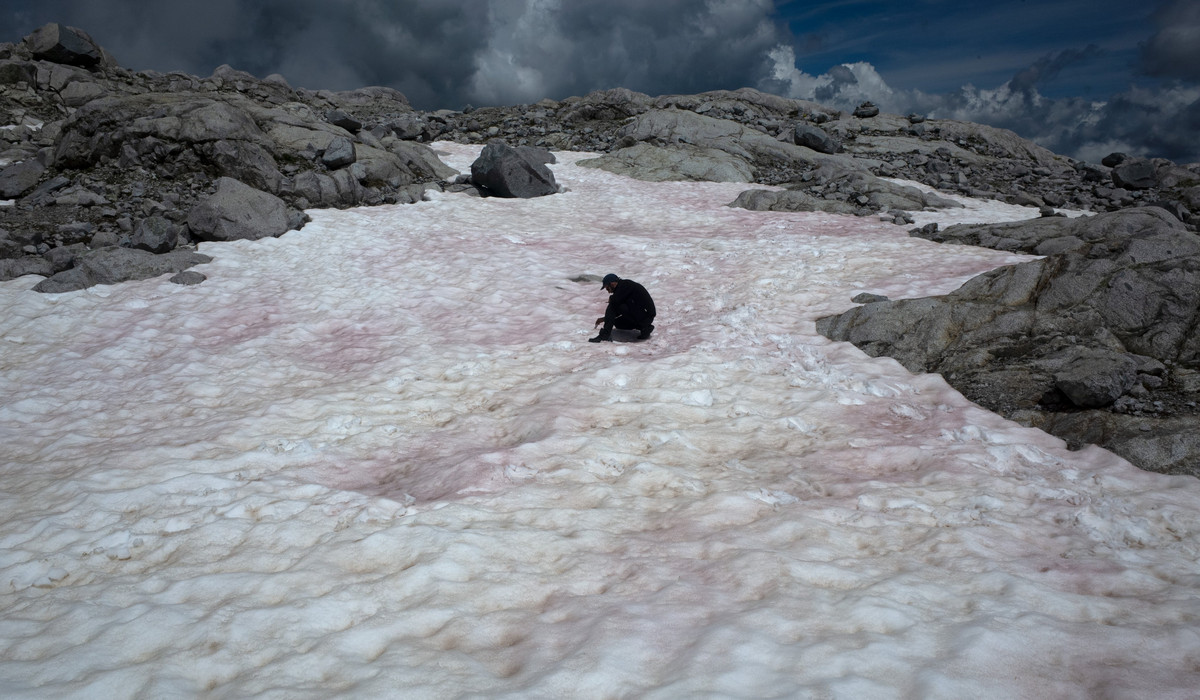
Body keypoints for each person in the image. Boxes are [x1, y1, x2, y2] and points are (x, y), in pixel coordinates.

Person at [590, 273, 656, 342]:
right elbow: (622, 309)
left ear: (612, 284)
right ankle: (645, 328)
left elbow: (615, 304)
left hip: (645, 316)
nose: (608, 291)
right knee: (618, 323)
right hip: (643, 316)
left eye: (607, 288)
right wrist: (604, 319)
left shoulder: (626, 285)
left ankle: (605, 335)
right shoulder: (623, 288)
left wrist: (611, 299)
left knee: (613, 304)